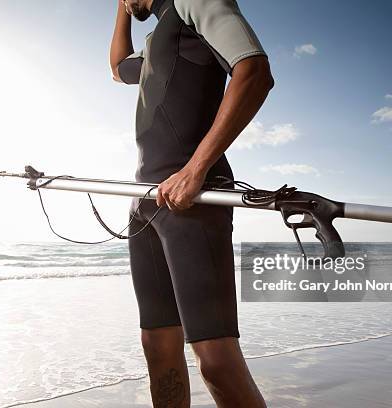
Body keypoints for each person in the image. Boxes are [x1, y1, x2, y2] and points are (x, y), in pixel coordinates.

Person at [110, 0, 273, 406]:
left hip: (193, 199)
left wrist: (195, 168)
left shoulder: (193, 2)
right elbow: (117, 69)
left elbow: (253, 71)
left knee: (215, 358)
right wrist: (122, 7)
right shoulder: (155, 39)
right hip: (145, 201)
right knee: (157, 345)